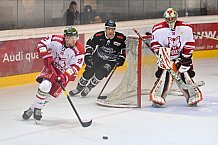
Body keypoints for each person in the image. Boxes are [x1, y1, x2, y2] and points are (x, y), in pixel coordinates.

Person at [22, 27, 85, 121]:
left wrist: (64, 76)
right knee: (45, 86)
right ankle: (38, 109)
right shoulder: (56, 39)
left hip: (64, 74)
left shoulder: (79, 50)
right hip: (52, 68)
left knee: (50, 95)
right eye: (72, 37)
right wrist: (46, 55)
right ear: (66, 37)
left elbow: (75, 67)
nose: (74, 40)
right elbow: (41, 44)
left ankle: (32, 109)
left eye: (75, 37)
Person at [150, 8, 202, 107]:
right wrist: (161, 54)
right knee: (164, 76)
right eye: (168, 19)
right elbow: (155, 44)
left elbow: (189, 45)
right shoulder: (158, 29)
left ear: (176, 17)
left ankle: (193, 95)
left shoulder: (186, 28)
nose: (170, 21)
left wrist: (184, 59)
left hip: (181, 57)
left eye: (172, 18)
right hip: (167, 58)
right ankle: (157, 96)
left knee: (186, 75)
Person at [69, 19, 126, 97]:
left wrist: (122, 57)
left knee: (100, 74)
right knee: (88, 72)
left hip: (111, 61)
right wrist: (88, 55)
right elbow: (90, 44)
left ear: (114, 30)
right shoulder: (99, 36)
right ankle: (79, 88)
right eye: (108, 29)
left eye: (112, 29)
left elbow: (124, 49)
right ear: (105, 29)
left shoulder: (121, 38)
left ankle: (89, 87)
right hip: (97, 57)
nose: (110, 31)